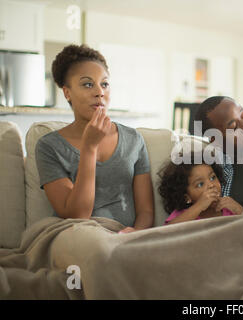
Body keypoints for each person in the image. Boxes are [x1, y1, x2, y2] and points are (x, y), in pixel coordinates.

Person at [35, 44, 154, 234]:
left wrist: (135, 234)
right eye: (88, 84)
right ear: (67, 93)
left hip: (127, 239)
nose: (100, 92)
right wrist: (89, 148)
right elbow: (77, 215)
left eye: (104, 84)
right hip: (78, 234)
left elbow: (146, 211)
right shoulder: (49, 146)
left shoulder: (133, 140)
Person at [158, 153, 243, 225]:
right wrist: (199, 207)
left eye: (213, 177)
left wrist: (240, 211)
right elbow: (167, 233)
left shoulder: (228, 210)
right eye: (200, 184)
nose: (211, 185)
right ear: (186, 197)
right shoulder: (184, 216)